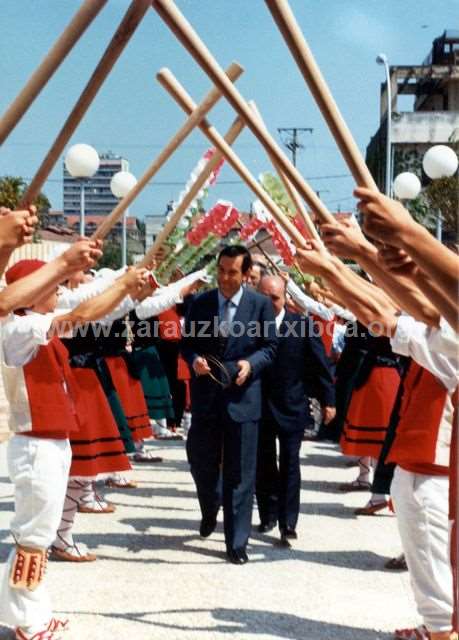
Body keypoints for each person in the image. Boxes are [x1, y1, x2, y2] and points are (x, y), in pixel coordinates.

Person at [0, 256, 147, 640]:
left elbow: (86, 304)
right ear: (31, 295)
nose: (59, 293)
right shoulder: (19, 326)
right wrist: (123, 283)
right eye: (51, 287)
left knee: (39, 535)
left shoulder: (32, 323)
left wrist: (124, 288)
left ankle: (33, 611)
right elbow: (83, 312)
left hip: (50, 443)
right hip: (35, 446)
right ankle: (26, 622)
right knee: (33, 537)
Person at [181, 245, 277, 564]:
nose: (225, 277)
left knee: (240, 473)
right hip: (206, 397)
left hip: (243, 397)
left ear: (246, 274)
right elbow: (188, 345)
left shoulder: (260, 305)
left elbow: (269, 348)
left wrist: (250, 365)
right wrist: (194, 360)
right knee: (201, 462)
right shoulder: (201, 304)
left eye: (232, 272)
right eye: (221, 270)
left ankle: (236, 542)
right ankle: (210, 507)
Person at [256, 275, 335, 544]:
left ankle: (288, 523)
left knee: (290, 464)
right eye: (263, 296)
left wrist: (329, 401)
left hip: (291, 406)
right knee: (263, 464)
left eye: (274, 298)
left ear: (285, 298)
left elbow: (320, 364)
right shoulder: (246, 325)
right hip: (258, 408)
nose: (268, 303)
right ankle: (268, 514)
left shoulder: (301, 325)